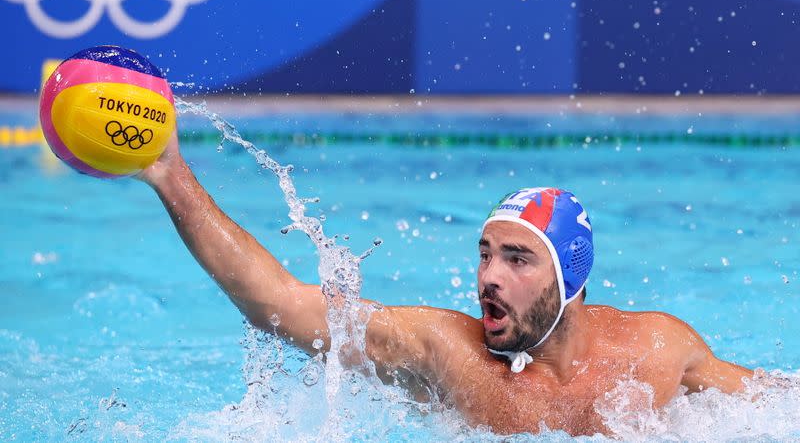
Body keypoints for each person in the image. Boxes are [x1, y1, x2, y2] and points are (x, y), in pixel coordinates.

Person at [137, 133, 753, 436]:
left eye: (518, 260)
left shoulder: (656, 350)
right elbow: (278, 302)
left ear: (571, 280)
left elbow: (771, 405)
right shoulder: (448, 352)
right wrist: (170, 173)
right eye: (485, 255)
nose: (489, 277)